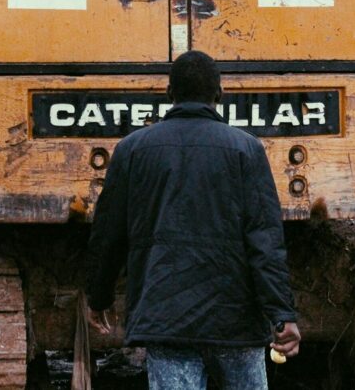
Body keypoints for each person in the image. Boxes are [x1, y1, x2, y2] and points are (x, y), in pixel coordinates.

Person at [86, 50, 300, 389]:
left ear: (170, 95)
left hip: (167, 320)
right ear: (219, 95)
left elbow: (108, 235)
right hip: (237, 320)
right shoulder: (246, 150)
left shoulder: (132, 150)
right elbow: (265, 241)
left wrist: (98, 298)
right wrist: (282, 315)